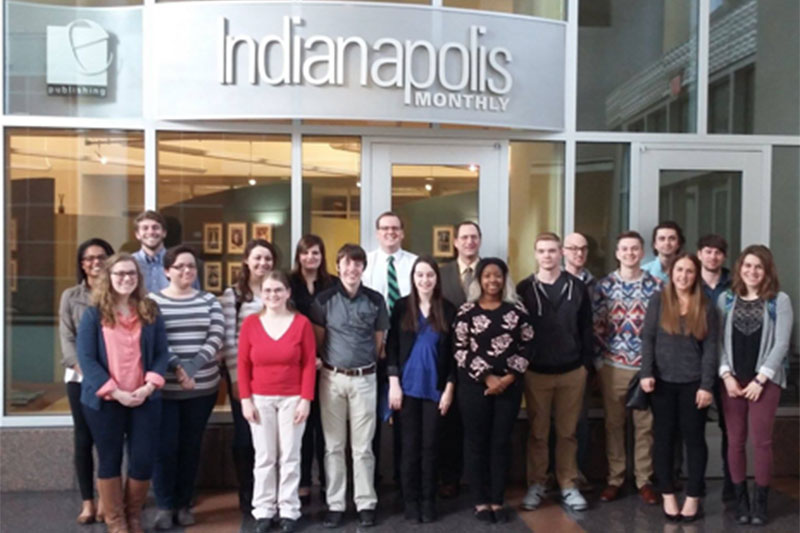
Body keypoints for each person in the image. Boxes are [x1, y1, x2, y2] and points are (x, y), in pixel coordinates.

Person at [76, 253, 169, 533]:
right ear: (109, 277)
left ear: (138, 278)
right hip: (106, 400)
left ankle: (133, 517)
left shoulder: (149, 310)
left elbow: (162, 353)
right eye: (120, 273)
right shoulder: (93, 314)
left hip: (144, 397)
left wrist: (149, 386)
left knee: (143, 458)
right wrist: (117, 393)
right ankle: (116, 522)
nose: (126, 278)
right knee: (110, 459)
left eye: (131, 273)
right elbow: (87, 359)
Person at [309, 244, 389, 529]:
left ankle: (366, 503)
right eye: (347, 263)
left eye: (357, 264)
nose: (352, 269)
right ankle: (335, 504)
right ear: (338, 266)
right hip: (332, 378)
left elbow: (378, 344)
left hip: (365, 379)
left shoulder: (375, 300)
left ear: (363, 268)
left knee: (363, 447)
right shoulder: (324, 300)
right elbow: (319, 341)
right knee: (333, 445)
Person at [453, 258, 534, 524]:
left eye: (497, 275)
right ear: (478, 280)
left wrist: (507, 379)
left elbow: (528, 346)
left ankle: (497, 499)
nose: (492, 280)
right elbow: (460, 349)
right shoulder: (467, 311)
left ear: (504, 278)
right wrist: (488, 378)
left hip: (509, 388)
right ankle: (480, 500)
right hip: (474, 387)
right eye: (487, 276)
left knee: (501, 442)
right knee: (476, 442)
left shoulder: (517, 310)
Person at [149, 246, 225, 529]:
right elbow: (155, 340)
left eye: (191, 266)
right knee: (165, 448)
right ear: (167, 271)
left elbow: (216, 336)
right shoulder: (153, 301)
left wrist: (191, 369)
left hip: (201, 387)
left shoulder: (209, 300)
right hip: (165, 389)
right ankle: (164, 505)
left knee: (191, 447)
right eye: (179, 266)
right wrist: (178, 368)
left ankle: (183, 504)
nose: (186, 271)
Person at [717, 245, 793, 526]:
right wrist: (726, 375)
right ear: (740, 268)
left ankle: (760, 502)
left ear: (767, 270)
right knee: (735, 441)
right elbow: (717, 342)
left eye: (758, 267)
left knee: (761, 442)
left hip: (765, 382)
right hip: (732, 382)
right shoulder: (726, 299)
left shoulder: (779, 300)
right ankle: (741, 502)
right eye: (747, 265)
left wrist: (761, 379)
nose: (752, 271)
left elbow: (782, 343)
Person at [517, 233, 592, 512]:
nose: (547, 255)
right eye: (542, 251)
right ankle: (537, 484)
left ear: (561, 253)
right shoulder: (525, 288)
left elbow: (586, 327)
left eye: (552, 250)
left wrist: (585, 364)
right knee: (538, 432)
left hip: (572, 371)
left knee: (567, 433)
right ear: (535, 254)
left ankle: (569, 485)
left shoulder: (577, 287)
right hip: (537, 372)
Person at [640, 253, 718, 522]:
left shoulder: (706, 306)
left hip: (694, 384)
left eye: (689, 271)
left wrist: (706, 385)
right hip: (661, 383)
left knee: (694, 440)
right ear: (671, 273)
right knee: (663, 439)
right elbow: (648, 338)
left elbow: (711, 349)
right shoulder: (658, 300)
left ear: (696, 276)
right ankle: (668, 495)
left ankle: (693, 497)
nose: (683, 276)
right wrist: (646, 373)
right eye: (679, 270)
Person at [238, 271, 317, 533]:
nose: (273, 295)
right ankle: (263, 509)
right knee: (264, 457)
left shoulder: (301, 323)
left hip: (292, 398)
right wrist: (245, 399)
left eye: (278, 290)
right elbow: (242, 364)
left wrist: (306, 399)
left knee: (290, 456)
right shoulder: (250, 324)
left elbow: (308, 364)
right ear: (261, 294)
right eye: (268, 290)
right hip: (260, 398)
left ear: (288, 293)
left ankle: (289, 509)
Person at [592, 231, 661, 505]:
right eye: (624, 249)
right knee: (614, 424)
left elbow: (663, 328)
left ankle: (644, 480)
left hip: (646, 367)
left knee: (646, 426)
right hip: (613, 365)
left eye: (635, 249)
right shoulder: (604, 286)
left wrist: (654, 365)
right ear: (617, 253)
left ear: (642, 253)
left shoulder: (657, 286)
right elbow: (596, 325)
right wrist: (599, 362)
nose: (630, 253)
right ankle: (615, 479)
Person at [386, 256, 457, 523]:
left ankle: (428, 500)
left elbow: (454, 355)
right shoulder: (401, 307)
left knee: (431, 447)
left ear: (437, 278)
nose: (425, 280)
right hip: (406, 388)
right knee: (409, 447)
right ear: (413, 278)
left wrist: (449, 388)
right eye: (420, 275)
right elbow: (392, 347)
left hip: (435, 389)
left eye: (429, 275)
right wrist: (393, 384)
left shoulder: (448, 309)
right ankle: (410, 501)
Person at [219, 239, 278, 517]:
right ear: (246, 260)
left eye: (268, 259)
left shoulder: (277, 292)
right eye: (257, 258)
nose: (263, 263)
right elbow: (229, 341)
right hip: (244, 378)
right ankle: (248, 493)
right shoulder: (233, 295)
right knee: (245, 437)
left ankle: (270, 494)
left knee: (271, 441)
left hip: (274, 379)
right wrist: (235, 379)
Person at [60, 238, 114, 525]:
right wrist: (83, 368)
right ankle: (87, 503)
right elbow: (67, 337)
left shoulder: (118, 294)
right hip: (80, 377)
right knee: (83, 438)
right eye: (89, 258)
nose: (95, 263)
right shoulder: (71, 296)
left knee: (108, 438)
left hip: (112, 379)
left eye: (101, 257)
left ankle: (107, 499)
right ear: (82, 264)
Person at [361, 211, 417, 487]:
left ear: (402, 232)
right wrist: (378, 345)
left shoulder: (415, 264)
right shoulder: (366, 264)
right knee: (369, 416)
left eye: (395, 228)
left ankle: (401, 477)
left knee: (403, 415)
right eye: (384, 228)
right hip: (372, 351)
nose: (390, 232)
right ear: (377, 233)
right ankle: (371, 479)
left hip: (406, 351)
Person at [289, 235, 338, 505]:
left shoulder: (332, 283)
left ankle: (329, 482)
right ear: (298, 256)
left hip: (329, 363)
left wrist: (324, 356)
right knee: (302, 426)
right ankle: (304, 482)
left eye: (316, 253)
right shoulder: (289, 282)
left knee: (326, 426)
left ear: (322, 256)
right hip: (296, 365)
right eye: (306, 253)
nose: (310, 257)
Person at [436, 220, 481, 497]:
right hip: (449, 354)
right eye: (463, 237)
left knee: (478, 424)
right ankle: (450, 477)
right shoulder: (442, 274)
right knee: (449, 422)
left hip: (484, 358)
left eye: (473, 237)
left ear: (479, 241)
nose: (469, 242)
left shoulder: (490, 271)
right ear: (455, 242)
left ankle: (477, 479)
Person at [696, 233, 734, 500]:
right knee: (693, 429)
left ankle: (732, 482)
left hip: (729, 366)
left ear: (724, 256)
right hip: (695, 365)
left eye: (718, 252)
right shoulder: (688, 281)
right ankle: (693, 484)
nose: (713, 256)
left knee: (729, 428)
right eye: (708, 251)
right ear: (699, 254)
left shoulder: (735, 284)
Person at [561, 231, 594, 490]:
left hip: (582, 363)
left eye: (582, 248)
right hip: (551, 363)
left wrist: (588, 363)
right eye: (573, 248)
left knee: (578, 421)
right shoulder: (551, 281)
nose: (578, 253)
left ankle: (576, 473)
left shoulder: (596, 284)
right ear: (563, 251)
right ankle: (552, 474)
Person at [132, 210, 200, 294]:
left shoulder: (180, 262)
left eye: (155, 227)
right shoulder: (131, 263)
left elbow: (194, 294)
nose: (151, 232)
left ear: (164, 233)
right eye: (145, 228)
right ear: (137, 234)